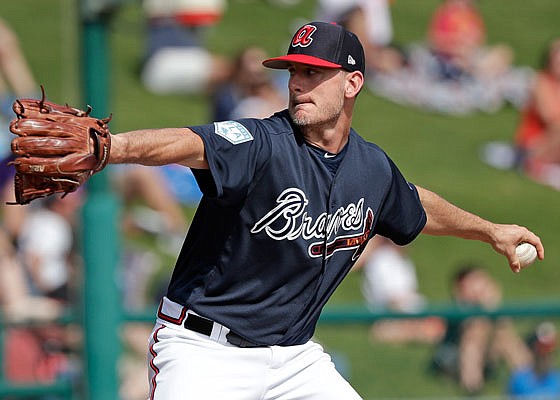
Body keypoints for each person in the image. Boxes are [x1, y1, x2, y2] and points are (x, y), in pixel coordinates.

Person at [16, 21, 544, 399]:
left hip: (293, 358)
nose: (298, 83)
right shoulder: (260, 142)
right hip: (205, 352)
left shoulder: (371, 168)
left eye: (315, 73)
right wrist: (115, 147)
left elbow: (412, 203)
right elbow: (189, 143)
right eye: (294, 70)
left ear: (353, 83)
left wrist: (490, 230)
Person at [431, 265, 533, 395]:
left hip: (487, 355)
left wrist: (493, 307)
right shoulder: (457, 306)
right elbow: (471, 326)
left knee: (504, 336)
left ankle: (530, 383)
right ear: (460, 288)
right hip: (454, 358)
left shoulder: (488, 305)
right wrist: (488, 309)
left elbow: (504, 326)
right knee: (475, 333)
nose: (479, 288)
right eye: (473, 283)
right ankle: (472, 388)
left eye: (482, 282)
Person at [355, 235, 445, 344]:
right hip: (393, 312)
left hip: (410, 310)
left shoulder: (403, 260)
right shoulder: (383, 259)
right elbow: (392, 299)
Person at [508, 321, 560, 398]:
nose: (546, 356)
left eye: (549, 352)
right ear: (532, 351)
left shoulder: (557, 379)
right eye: (542, 351)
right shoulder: (519, 379)